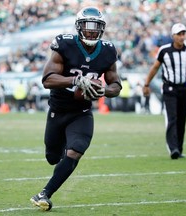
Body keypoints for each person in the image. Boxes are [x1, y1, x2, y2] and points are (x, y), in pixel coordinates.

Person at [30, 7, 122, 211]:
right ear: (79, 27)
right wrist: (76, 80)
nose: (91, 31)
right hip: (58, 109)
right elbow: (47, 79)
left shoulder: (107, 50)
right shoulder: (65, 44)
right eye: (87, 27)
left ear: (102, 29)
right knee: (52, 157)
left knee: (76, 150)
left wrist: (104, 90)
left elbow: (116, 85)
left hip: (82, 111)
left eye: (95, 27)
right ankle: (60, 152)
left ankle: (44, 194)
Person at [143, 23, 186, 160]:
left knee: (182, 119)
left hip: (184, 87)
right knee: (172, 118)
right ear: (173, 36)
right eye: (179, 34)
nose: (182, 37)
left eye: (183, 34)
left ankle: (179, 148)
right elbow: (155, 68)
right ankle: (173, 148)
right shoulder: (164, 50)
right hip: (169, 88)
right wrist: (146, 84)